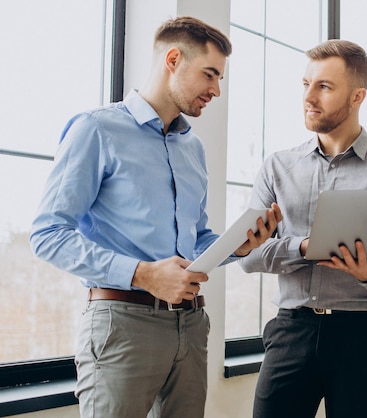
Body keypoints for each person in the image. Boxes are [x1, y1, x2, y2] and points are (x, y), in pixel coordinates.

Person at [30, 16, 280, 418]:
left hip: (192, 327)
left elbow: (196, 241)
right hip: (122, 326)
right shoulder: (96, 129)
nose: (216, 90)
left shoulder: (191, 149)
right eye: (210, 74)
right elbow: (48, 234)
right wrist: (143, 273)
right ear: (174, 59)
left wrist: (239, 245)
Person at [238, 39, 367, 418]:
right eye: (305, 84)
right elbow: (247, 256)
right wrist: (303, 248)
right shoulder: (277, 168)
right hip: (291, 331)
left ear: (357, 96)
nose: (309, 96)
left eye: (323, 86)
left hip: (361, 336)